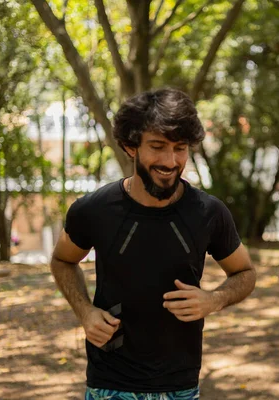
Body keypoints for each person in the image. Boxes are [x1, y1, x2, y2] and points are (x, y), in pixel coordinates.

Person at [51, 88, 257, 400]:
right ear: (130, 146)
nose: (170, 161)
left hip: (180, 384)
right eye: (158, 147)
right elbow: (62, 260)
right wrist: (85, 312)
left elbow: (245, 273)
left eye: (180, 148)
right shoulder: (92, 210)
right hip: (110, 382)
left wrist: (213, 300)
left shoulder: (209, 213)